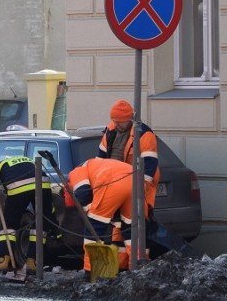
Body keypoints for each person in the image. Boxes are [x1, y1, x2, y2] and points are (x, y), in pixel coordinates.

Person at [0, 155, 58, 273]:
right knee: (41, 224)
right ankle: (33, 262)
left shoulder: (0, 164)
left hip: (18, 187)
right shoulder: (29, 160)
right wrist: (55, 228)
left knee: (9, 225)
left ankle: (3, 261)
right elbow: (49, 210)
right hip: (43, 184)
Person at [98, 99, 160, 245]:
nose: (116, 124)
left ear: (129, 119)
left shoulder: (144, 134)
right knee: (118, 225)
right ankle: (121, 263)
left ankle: (137, 262)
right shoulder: (110, 130)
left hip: (136, 185)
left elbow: (149, 166)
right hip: (117, 184)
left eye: (119, 121)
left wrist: (138, 190)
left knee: (135, 226)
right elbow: (101, 157)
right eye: (114, 120)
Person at [67, 157, 146, 272]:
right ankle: (136, 267)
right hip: (137, 181)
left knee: (94, 227)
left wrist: (92, 213)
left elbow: (82, 194)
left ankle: (92, 270)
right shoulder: (96, 164)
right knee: (130, 228)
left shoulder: (75, 172)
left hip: (111, 180)